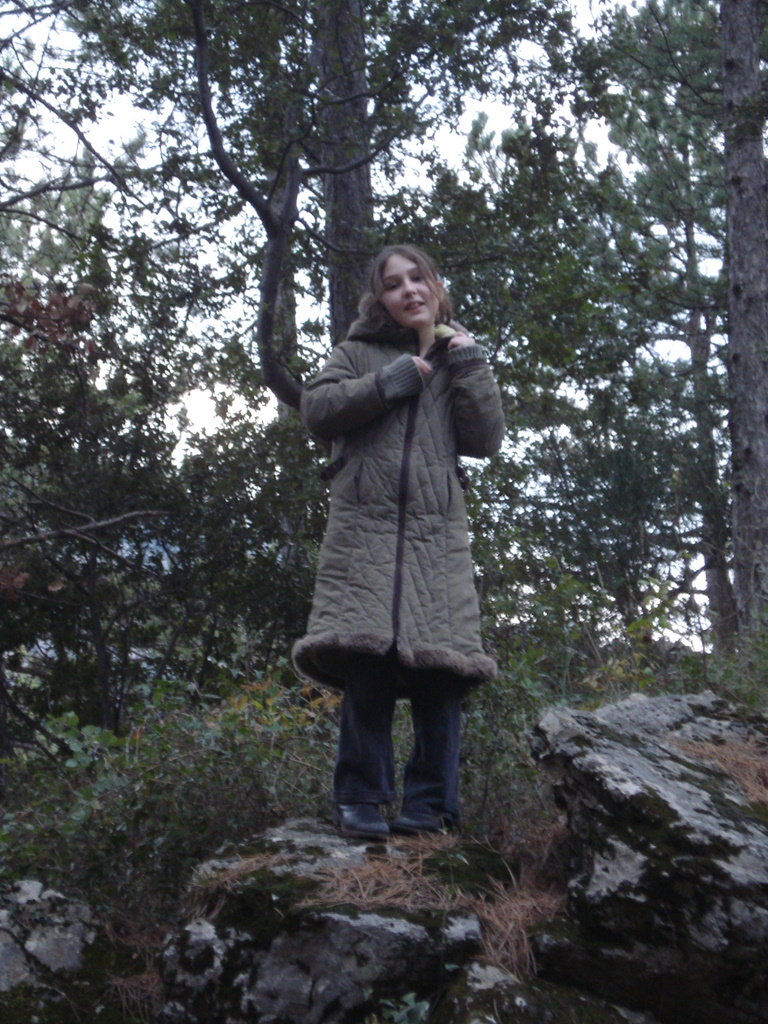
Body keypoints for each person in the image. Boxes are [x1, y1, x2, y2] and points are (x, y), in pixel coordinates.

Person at [292, 244, 504, 838]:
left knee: (442, 672)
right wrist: (388, 383)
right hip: (364, 533)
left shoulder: (460, 355)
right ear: (379, 299)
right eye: (393, 284)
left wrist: (470, 365)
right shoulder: (356, 352)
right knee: (368, 663)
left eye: (418, 278)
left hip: (437, 539)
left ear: (435, 287)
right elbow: (317, 409)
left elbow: (486, 439)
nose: (409, 290)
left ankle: (430, 807)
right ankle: (359, 797)